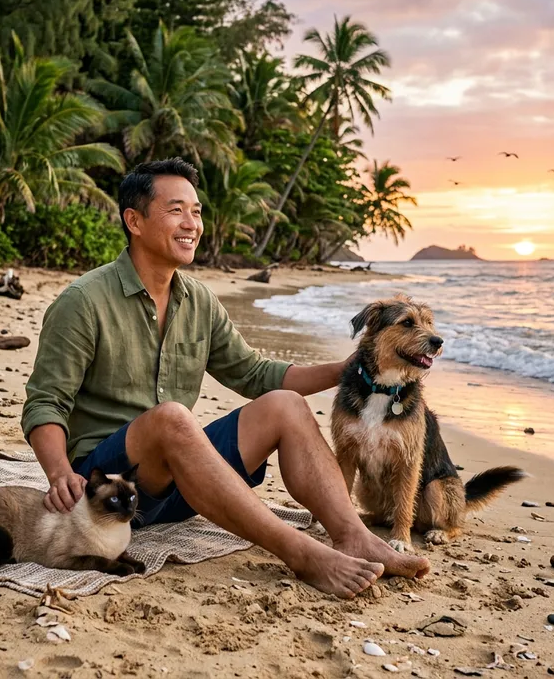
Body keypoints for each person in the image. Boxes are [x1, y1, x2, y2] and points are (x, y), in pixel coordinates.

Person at [22, 158, 430, 598]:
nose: (192, 223)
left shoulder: (199, 301)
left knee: (285, 405)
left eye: (197, 212)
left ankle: (352, 534)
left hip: (182, 488)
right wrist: (60, 472)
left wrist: (350, 369)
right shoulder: (83, 301)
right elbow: (45, 402)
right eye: (176, 210)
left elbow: (255, 374)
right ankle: (300, 553)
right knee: (173, 418)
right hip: (107, 490)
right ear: (134, 221)